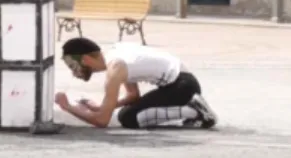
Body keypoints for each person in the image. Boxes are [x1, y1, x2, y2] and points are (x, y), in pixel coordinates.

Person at [55, 37, 218, 130]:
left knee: (128, 118)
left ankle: (194, 111)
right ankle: (191, 107)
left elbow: (102, 121)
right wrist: (99, 107)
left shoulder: (115, 68)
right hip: (182, 82)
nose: (74, 72)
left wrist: (68, 107)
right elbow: (133, 95)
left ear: (86, 59)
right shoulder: (117, 52)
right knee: (127, 111)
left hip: (182, 87)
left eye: (73, 66)